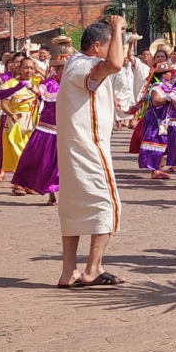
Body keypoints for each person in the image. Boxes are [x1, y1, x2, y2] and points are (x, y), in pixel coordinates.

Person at [56, 16, 128, 288]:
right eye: (111, 43)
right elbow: (116, 64)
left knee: (73, 210)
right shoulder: (84, 65)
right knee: (106, 206)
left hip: (78, 148)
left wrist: (120, 35)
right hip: (89, 148)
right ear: (97, 46)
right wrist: (115, 28)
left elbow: (119, 64)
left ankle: (69, 271)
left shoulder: (75, 64)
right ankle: (92, 269)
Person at [12, 47, 74, 205]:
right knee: (45, 163)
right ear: (57, 69)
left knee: (65, 165)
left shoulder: (74, 85)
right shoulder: (50, 84)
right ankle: (50, 194)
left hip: (67, 131)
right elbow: (38, 91)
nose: (64, 71)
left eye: (67, 68)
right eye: (62, 68)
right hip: (47, 131)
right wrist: (27, 85)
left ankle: (67, 194)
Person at [0, 57, 39, 189]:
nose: (28, 71)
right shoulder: (10, 85)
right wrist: (12, 115)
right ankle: (18, 183)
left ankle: (27, 183)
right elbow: (3, 104)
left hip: (33, 122)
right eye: (25, 68)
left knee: (31, 153)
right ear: (19, 69)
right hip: (15, 123)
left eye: (31, 68)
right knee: (19, 153)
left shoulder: (37, 83)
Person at [138, 64, 175, 179]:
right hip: (156, 120)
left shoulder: (165, 86)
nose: (171, 74)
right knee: (156, 143)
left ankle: (158, 165)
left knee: (162, 142)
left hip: (162, 119)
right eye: (169, 72)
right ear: (163, 74)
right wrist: (169, 98)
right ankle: (155, 170)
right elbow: (156, 101)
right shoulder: (158, 86)